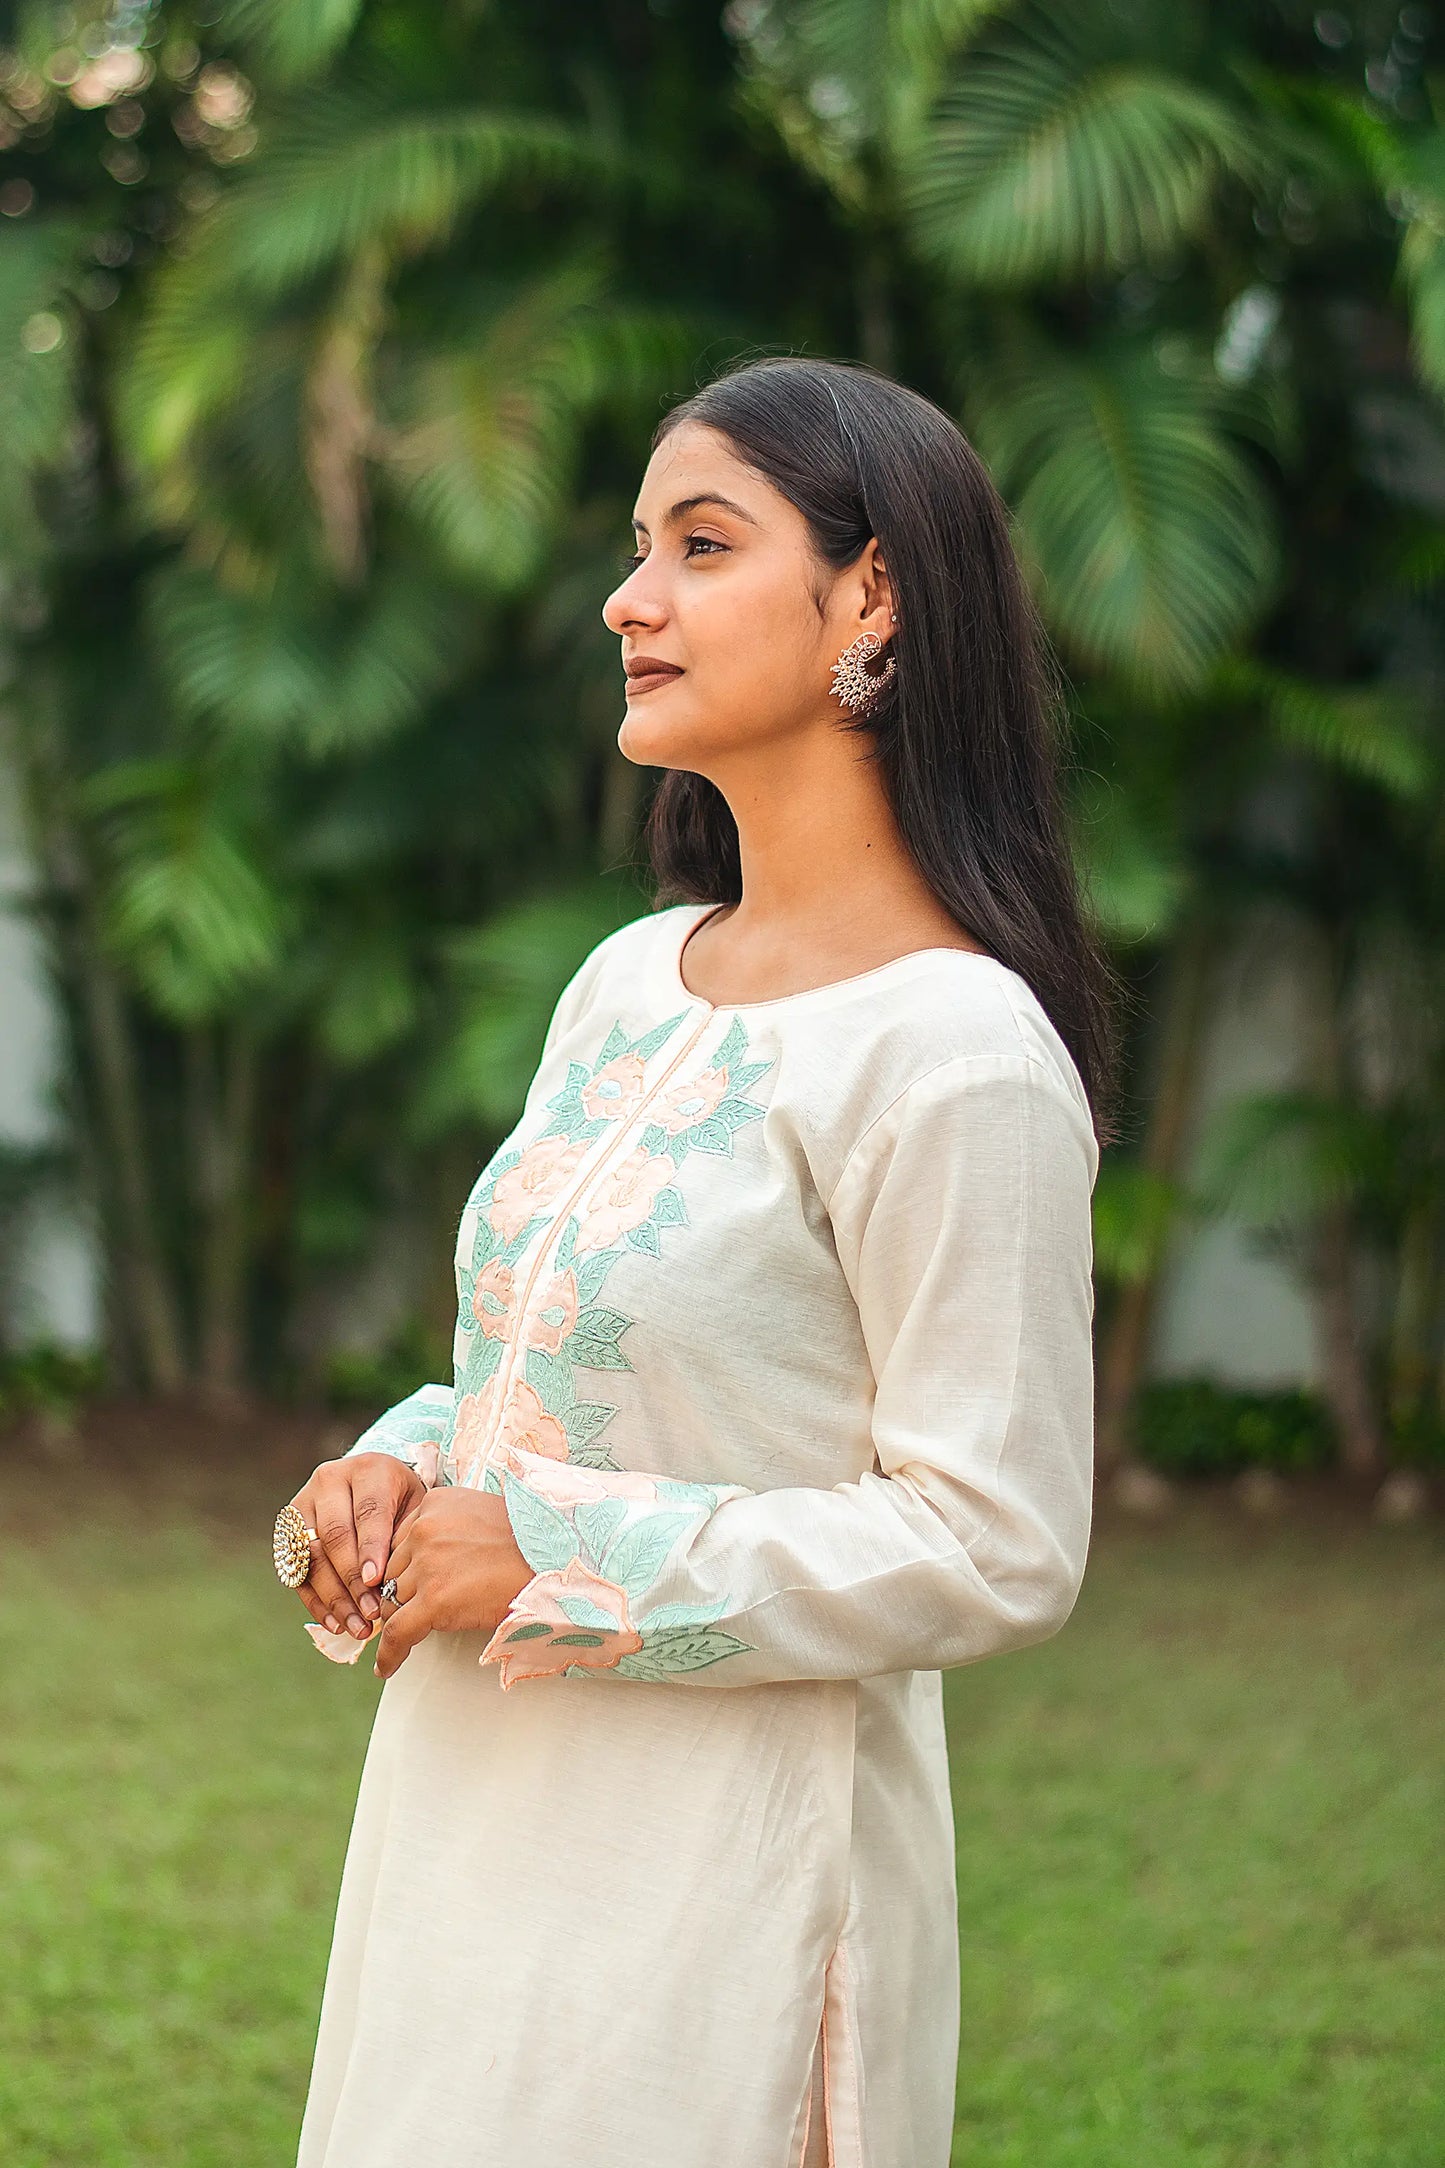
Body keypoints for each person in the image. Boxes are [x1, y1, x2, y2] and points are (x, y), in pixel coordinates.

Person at [279, 354, 1119, 2168]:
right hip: (464, 1825)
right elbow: (572, 1372)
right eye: (636, 546)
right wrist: (403, 1461)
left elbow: (997, 1542)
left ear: (871, 593)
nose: (627, 598)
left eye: (701, 543)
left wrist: (561, 1550)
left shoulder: (953, 1052)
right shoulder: (624, 981)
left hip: (722, 1886)